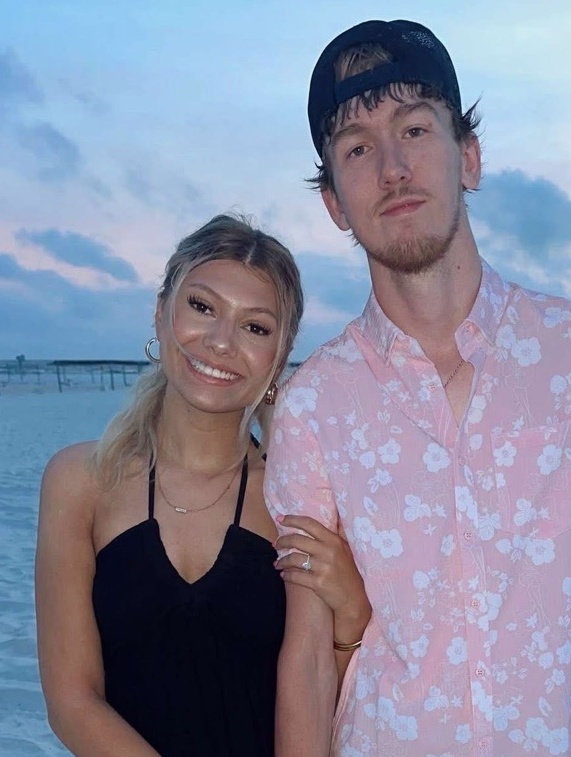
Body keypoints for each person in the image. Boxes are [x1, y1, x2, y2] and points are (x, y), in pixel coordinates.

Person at [266, 18, 571, 757]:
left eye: (414, 129)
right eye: (357, 148)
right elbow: (308, 657)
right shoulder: (314, 405)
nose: (392, 169)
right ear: (334, 203)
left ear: (468, 157)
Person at [35, 214, 371, 757]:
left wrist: (351, 617)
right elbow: (72, 702)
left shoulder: (299, 498)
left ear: (280, 354)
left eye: (255, 327)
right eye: (202, 306)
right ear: (161, 311)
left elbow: (317, 697)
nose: (220, 342)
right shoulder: (80, 482)